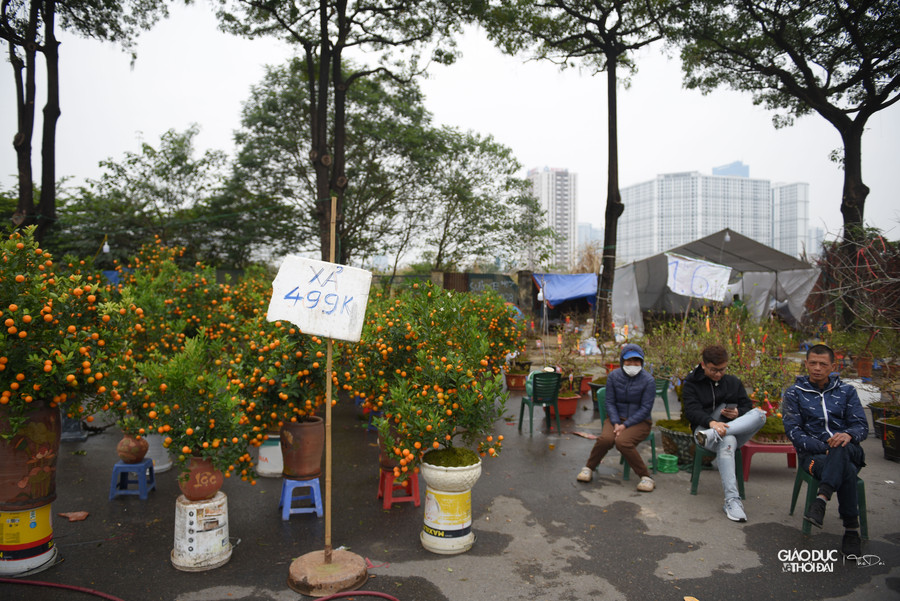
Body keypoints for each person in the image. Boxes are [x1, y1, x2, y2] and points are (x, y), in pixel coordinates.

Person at [782, 344, 867, 557]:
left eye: (823, 364)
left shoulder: (847, 391)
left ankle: (821, 499)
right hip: (814, 457)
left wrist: (848, 435)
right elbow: (794, 432)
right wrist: (825, 447)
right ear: (806, 364)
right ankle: (851, 530)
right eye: (813, 363)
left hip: (850, 449)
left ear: (833, 367)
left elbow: (861, 426)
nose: (817, 368)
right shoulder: (794, 393)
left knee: (841, 447)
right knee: (846, 468)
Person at [683, 344, 766, 522]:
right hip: (703, 431)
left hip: (729, 430)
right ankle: (732, 500)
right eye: (714, 370)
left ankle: (717, 433)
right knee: (727, 440)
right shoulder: (691, 383)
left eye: (722, 370)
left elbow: (746, 406)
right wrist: (712, 423)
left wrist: (738, 413)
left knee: (760, 415)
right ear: (703, 365)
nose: (718, 374)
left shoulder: (733, 382)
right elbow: (691, 411)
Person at [577, 343, 656, 492]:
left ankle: (646, 476)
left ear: (642, 362)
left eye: (636, 361)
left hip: (640, 421)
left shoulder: (648, 380)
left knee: (622, 442)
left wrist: (625, 425)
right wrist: (615, 423)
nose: (632, 364)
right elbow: (610, 402)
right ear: (622, 361)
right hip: (616, 419)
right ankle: (588, 468)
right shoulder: (613, 376)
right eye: (629, 361)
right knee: (605, 439)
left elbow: (645, 408)